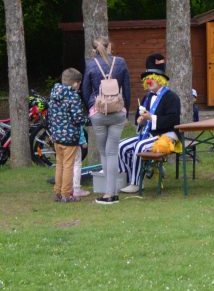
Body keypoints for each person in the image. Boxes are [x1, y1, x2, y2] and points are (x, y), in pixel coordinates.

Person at [117, 54, 181, 193]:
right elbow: (139, 117)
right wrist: (140, 120)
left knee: (139, 146)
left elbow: (173, 120)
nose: (149, 80)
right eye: (147, 78)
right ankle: (127, 179)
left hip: (166, 136)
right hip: (148, 135)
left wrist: (151, 118)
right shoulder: (147, 97)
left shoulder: (172, 97)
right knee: (121, 146)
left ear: (161, 80)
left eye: (152, 77)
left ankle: (136, 184)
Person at [82, 37, 131, 205]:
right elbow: (127, 88)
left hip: (98, 112)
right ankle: (112, 192)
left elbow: (86, 90)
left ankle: (109, 193)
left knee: (104, 152)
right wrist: (125, 110)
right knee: (113, 152)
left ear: (93, 49)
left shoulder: (90, 64)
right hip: (118, 111)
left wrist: (91, 107)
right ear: (109, 46)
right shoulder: (121, 62)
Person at [49, 68, 87, 202]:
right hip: (70, 137)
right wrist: (86, 119)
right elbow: (78, 118)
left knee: (59, 164)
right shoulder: (73, 96)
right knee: (68, 165)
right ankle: (66, 194)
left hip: (56, 136)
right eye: (80, 83)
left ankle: (58, 192)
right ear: (76, 83)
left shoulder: (54, 93)